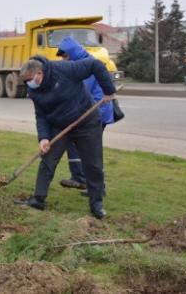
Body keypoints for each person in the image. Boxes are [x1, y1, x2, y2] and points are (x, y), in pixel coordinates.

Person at [13, 56, 116, 219]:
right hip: (60, 125)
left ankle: (96, 203)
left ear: (39, 73)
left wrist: (108, 90)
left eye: (29, 80)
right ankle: (38, 199)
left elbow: (95, 65)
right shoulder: (33, 90)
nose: (28, 85)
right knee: (48, 159)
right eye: (25, 81)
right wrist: (44, 137)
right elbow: (40, 115)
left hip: (86, 122)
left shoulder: (64, 69)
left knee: (93, 164)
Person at [56, 37, 114, 192]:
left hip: (96, 112)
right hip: (91, 111)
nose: (63, 60)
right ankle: (82, 180)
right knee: (76, 145)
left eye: (65, 56)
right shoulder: (80, 63)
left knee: (90, 150)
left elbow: (82, 93)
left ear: (72, 53)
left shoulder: (86, 66)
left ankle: (95, 186)